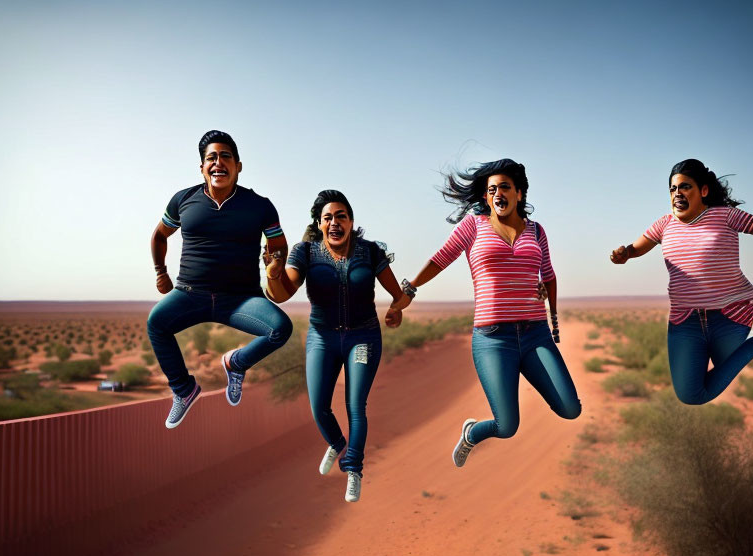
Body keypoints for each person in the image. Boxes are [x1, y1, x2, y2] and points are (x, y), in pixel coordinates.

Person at [391, 159, 581, 468]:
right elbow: (441, 258)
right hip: (493, 340)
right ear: (485, 197)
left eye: (504, 187)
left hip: (535, 333)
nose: (497, 194)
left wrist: (553, 314)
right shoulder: (473, 226)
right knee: (507, 426)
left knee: (571, 409)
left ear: (519, 193)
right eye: (491, 189)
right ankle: (472, 434)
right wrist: (409, 290)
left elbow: (548, 274)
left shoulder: (536, 230)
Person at [610, 158, 753, 405]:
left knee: (724, 363)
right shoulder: (664, 225)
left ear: (703, 190)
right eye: (672, 189)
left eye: (685, 187)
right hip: (685, 320)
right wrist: (624, 254)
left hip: (729, 314)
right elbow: (636, 249)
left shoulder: (726, 216)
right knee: (690, 395)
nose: (677, 194)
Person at [147, 130, 293, 428]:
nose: (218, 163)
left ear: (238, 166)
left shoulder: (259, 205)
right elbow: (160, 235)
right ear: (202, 168)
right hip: (190, 294)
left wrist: (275, 264)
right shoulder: (183, 200)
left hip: (240, 298)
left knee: (281, 328)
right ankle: (184, 390)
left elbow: (278, 244)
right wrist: (161, 272)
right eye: (210, 158)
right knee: (156, 323)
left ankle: (236, 363)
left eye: (225, 157)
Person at [265, 190, 403, 503]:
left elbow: (398, 294)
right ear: (319, 223)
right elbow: (281, 292)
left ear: (352, 222)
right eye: (328, 217)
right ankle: (339, 445)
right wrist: (272, 272)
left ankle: (353, 469)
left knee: (356, 406)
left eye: (341, 216)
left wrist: (397, 309)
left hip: (362, 338)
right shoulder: (305, 252)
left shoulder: (370, 252)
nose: (334, 222)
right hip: (322, 338)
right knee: (319, 408)